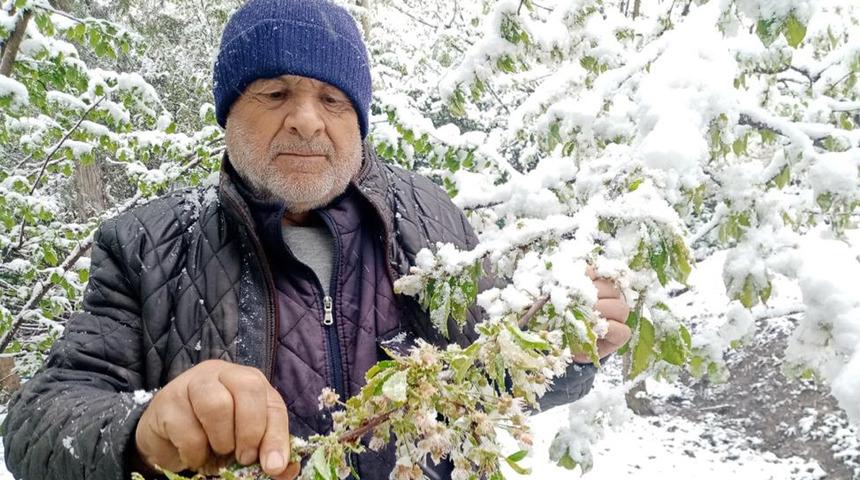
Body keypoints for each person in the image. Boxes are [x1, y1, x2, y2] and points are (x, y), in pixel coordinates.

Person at [2, 0, 632, 479]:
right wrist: (141, 430)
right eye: (275, 93)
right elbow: (37, 422)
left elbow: (493, 376)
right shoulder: (146, 245)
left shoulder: (431, 218)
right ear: (229, 113)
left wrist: (567, 346)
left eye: (333, 100)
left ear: (358, 121)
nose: (306, 119)